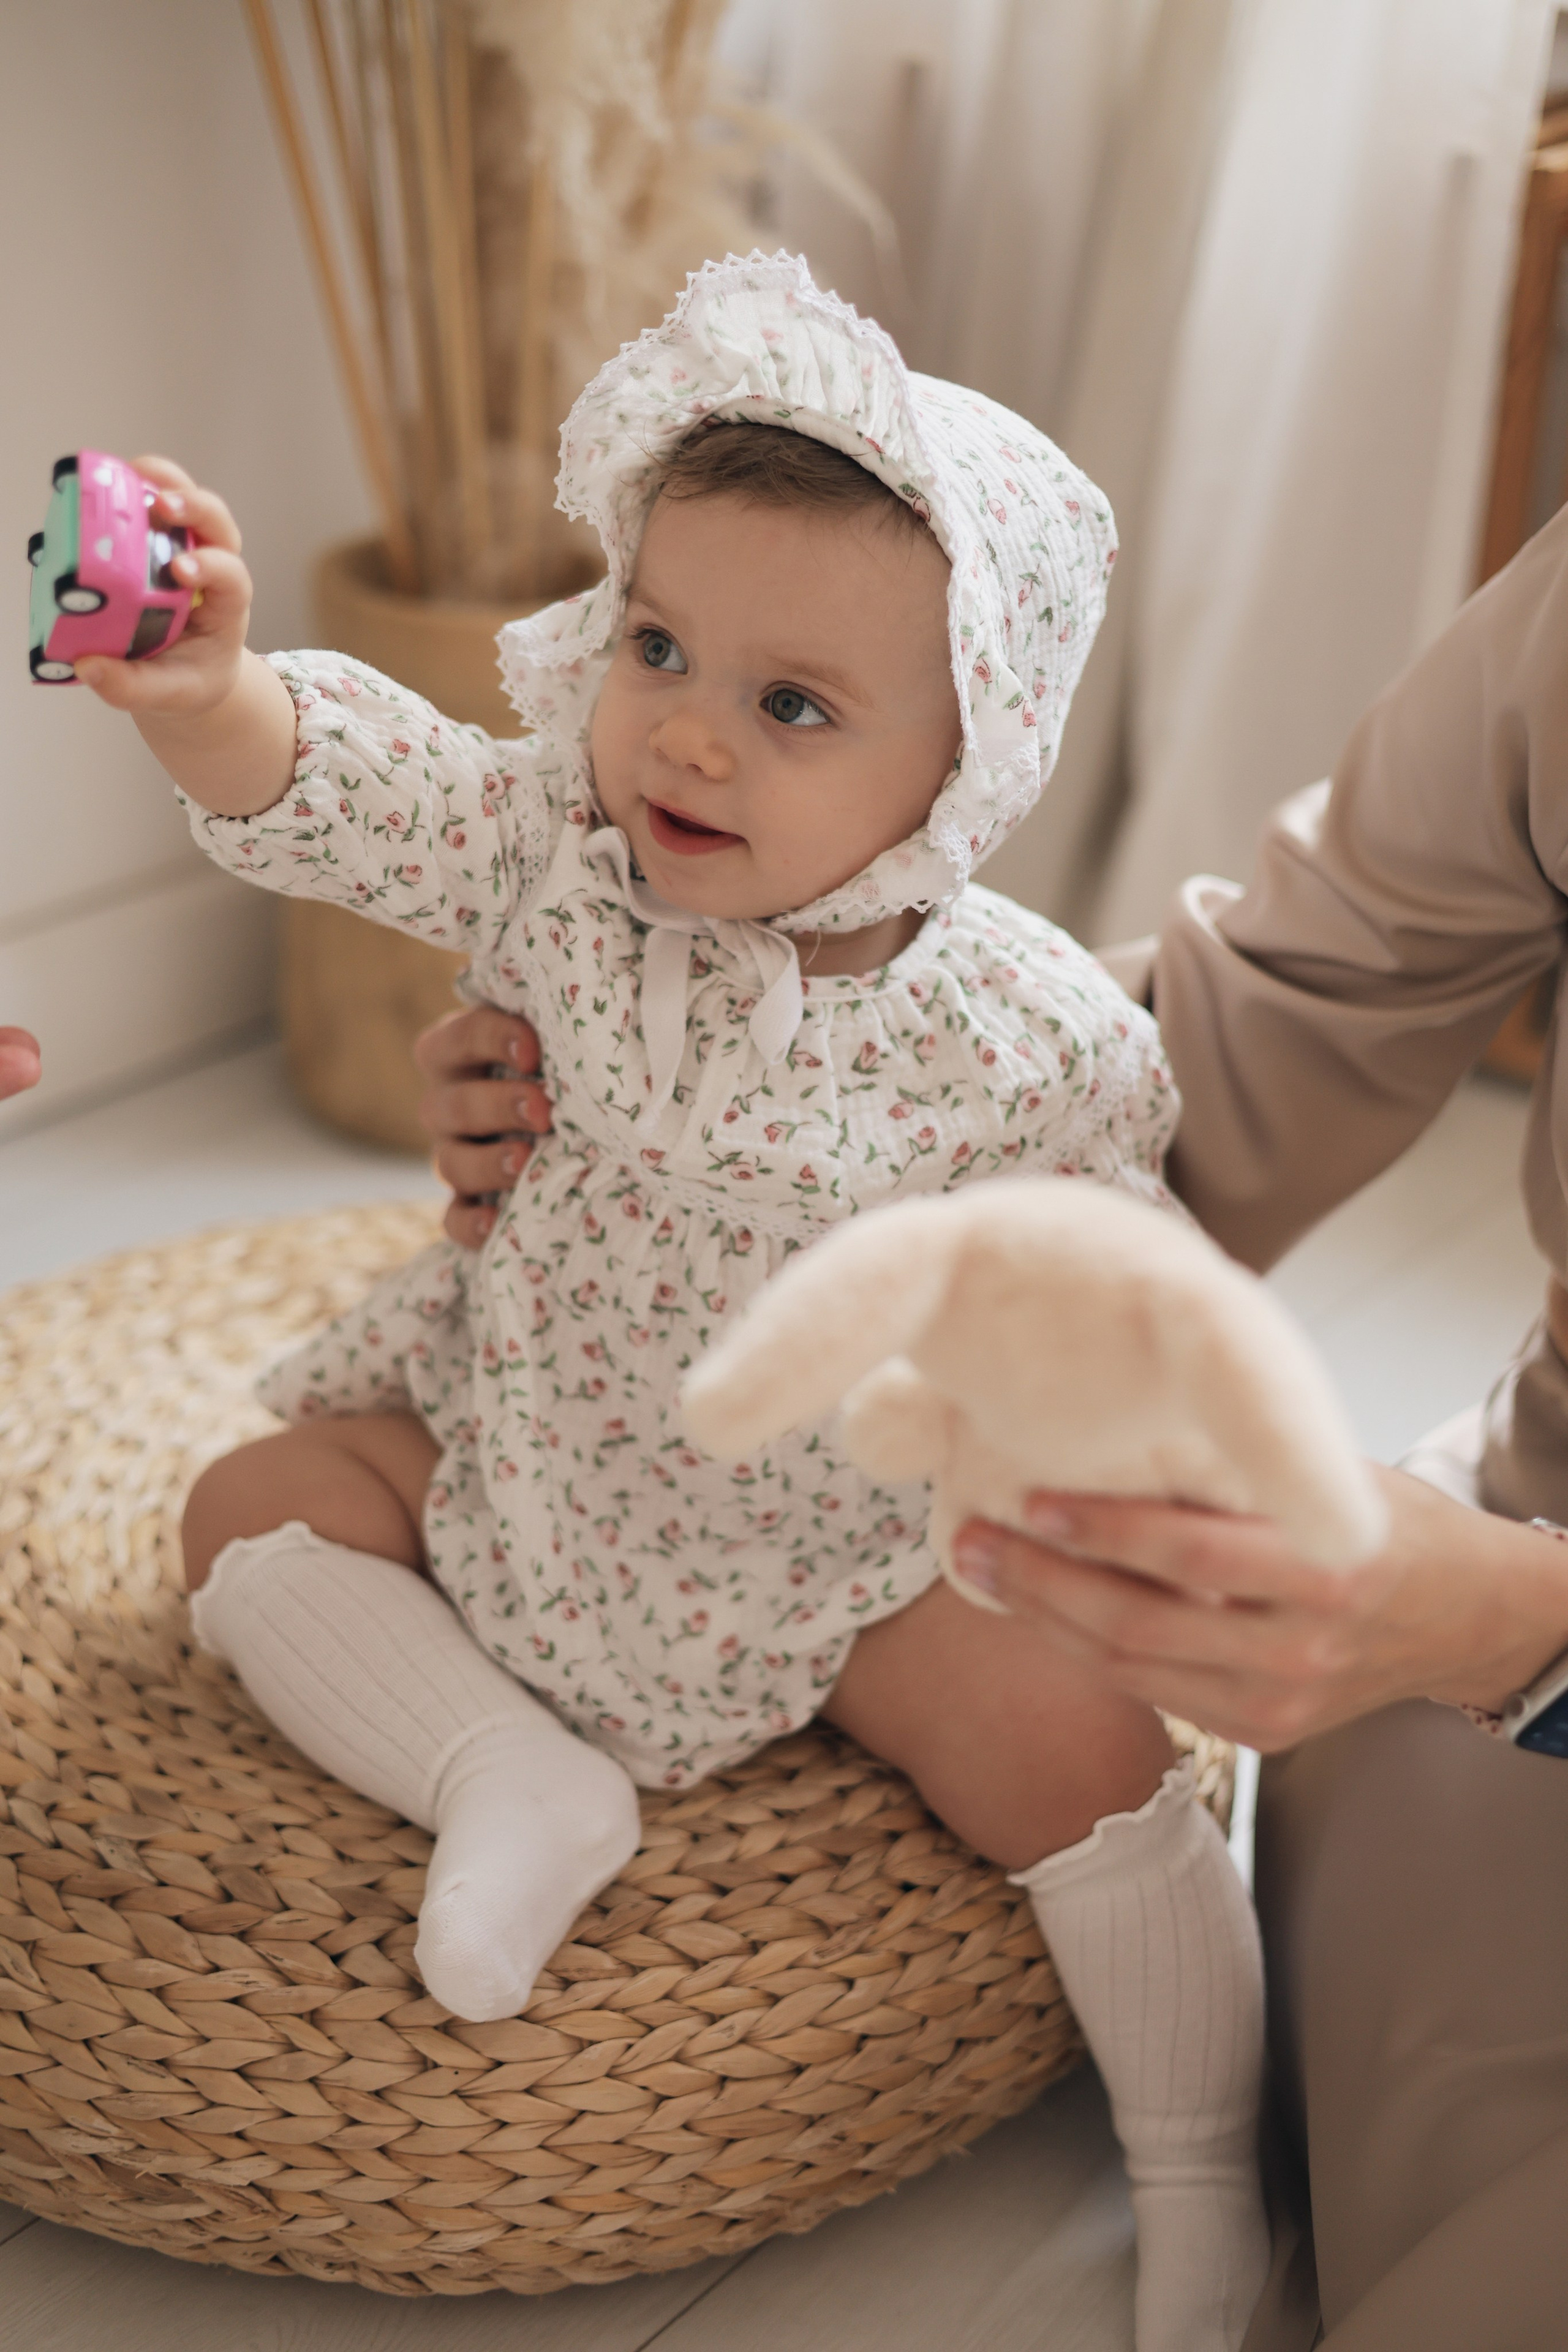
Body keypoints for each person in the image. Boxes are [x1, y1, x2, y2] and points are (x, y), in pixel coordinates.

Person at [70, 255, 1273, 2352]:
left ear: (961, 769)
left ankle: (1200, 2174)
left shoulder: (1022, 1034)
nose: (688, 730)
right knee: (248, 1503)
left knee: (1090, 1766)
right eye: (656, 644)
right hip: (527, 1444)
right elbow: (356, 794)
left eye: (794, 706)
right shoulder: (561, 850)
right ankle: (504, 1773)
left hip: (842, 1547)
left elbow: (1111, 1273)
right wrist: (212, 699)